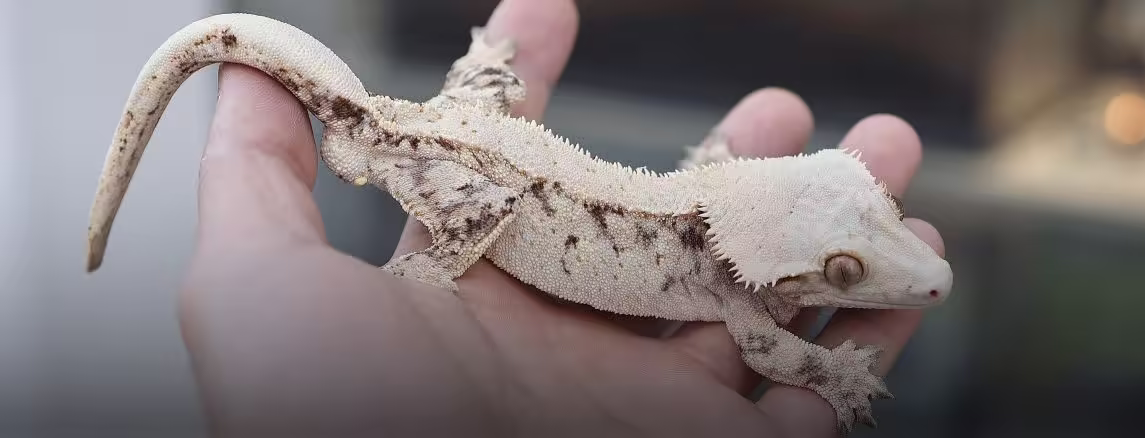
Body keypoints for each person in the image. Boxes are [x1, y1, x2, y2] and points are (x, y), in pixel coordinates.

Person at [180, 0, 947, 435]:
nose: (925, 278)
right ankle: (435, 257)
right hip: (450, 163)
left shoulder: (726, 215)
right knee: (484, 201)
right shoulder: (740, 291)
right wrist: (833, 373)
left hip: (464, 132)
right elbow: (773, 351)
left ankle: (472, 87)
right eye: (844, 272)